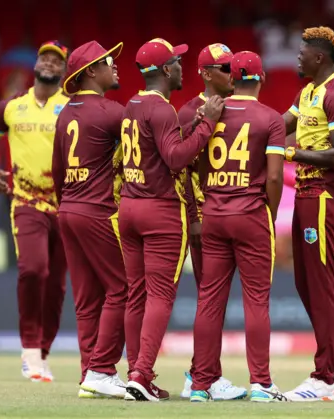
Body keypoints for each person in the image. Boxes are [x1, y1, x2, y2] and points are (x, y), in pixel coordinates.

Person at [119, 38, 225, 402]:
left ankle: (136, 372)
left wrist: (192, 125)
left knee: (136, 294)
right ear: (165, 70)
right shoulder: (162, 109)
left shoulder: (132, 103)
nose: (182, 66)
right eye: (177, 61)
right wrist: (207, 124)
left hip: (129, 207)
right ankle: (141, 372)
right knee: (160, 295)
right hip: (160, 210)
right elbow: (176, 159)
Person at [190, 50, 287, 403]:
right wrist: (270, 213)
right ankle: (261, 383)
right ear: (260, 79)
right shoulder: (271, 119)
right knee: (256, 301)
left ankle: (200, 384)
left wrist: (213, 189)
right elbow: (274, 175)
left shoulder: (210, 112)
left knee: (209, 300)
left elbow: (198, 163)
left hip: (214, 212)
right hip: (251, 214)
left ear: (232, 78)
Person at [0, 40, 69, 382]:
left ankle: (42, 354)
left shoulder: (72, 107)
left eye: (56, 60)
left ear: (63, 70)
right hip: (27, 201)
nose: (48, 63)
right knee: (34, 269)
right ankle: (30, 350)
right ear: (36, 64)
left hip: (65, 205)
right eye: (44, 57)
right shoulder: (11, 108)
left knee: (57, 285)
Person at [281, 26, 334, 401]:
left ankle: (324, 375)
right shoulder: (308, 91)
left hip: (327, 197)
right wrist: (242, 126)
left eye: (302, 52)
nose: (297, 57)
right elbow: (279, 126)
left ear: (320, 57)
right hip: (305, 194)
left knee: (323, 283)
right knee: (304, 282)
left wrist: (294, 154)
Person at [52, 40, 127, 399]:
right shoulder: (111, 112)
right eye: (109, 62)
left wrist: (66, 202)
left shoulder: (66, 112)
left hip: (67, 208)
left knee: (86, 299)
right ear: (91, 72)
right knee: (123, 289)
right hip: (97, 211)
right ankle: (102, 369)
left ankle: (89, 375)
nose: (116, 67)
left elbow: (56, 170)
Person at [176, 43, 239, 400]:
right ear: (204, 73)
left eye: (233, 67)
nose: (233, 73)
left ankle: (204, 372)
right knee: (208, 299)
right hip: (204, 217)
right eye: (224, 67)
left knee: (212, 299)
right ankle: (202, 376)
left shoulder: (241, 108)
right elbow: (182, 169)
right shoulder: (188, 113)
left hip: (230, 213)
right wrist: (193, 218)